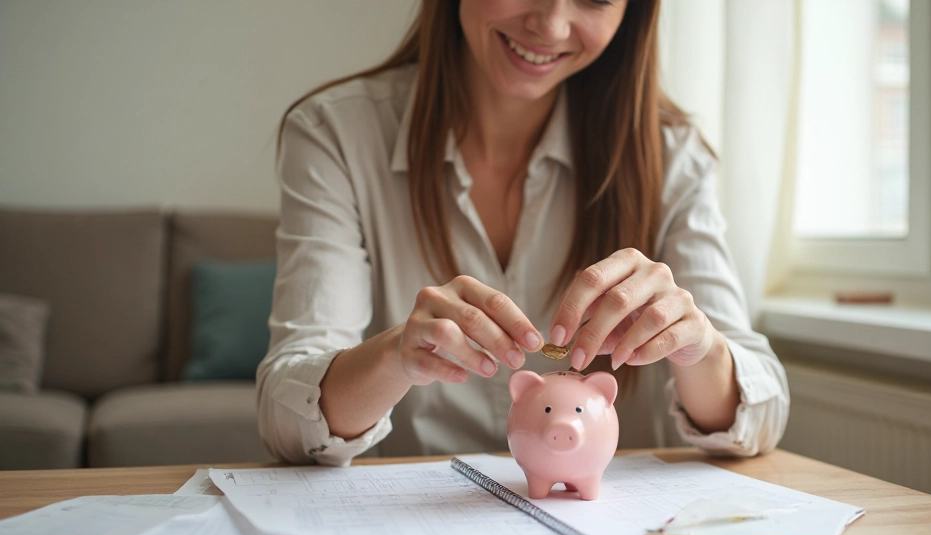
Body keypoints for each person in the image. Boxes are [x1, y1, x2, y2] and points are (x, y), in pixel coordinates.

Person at [257, 0, 789, 466]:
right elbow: (286, 422)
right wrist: (396, 355)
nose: (552, 25)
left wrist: (698, 347)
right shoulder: (335, 134)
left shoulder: (672, 157)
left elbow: (762, 418)